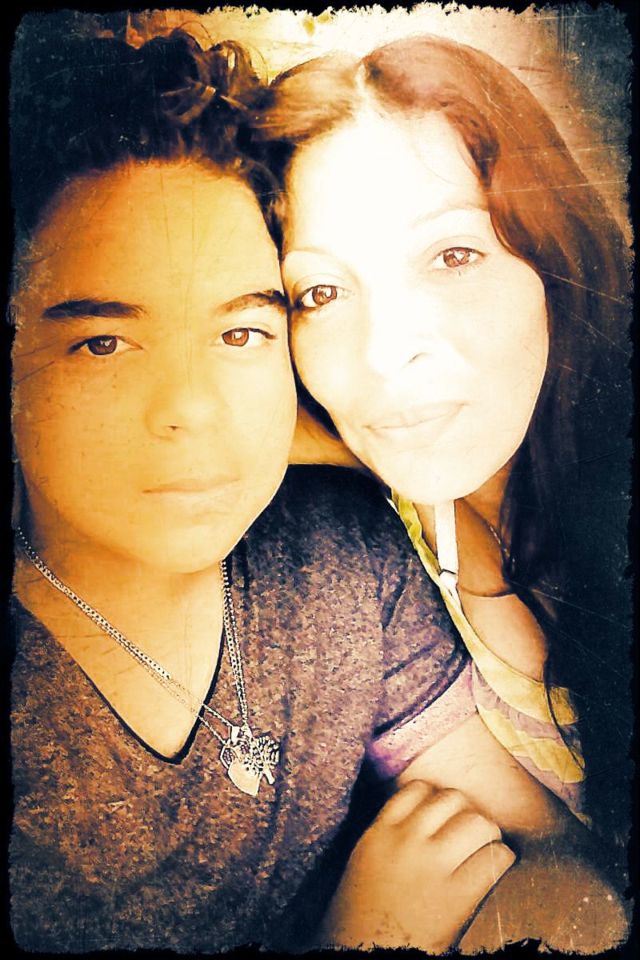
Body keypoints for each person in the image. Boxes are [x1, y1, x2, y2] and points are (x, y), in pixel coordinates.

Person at [9, 18, 626, 954]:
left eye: (241, 333)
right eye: (105, 344)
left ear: (554, 252)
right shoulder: (368, 488)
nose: (191, 410)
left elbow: (554, 870)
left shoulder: (348, 562)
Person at [255, 30, 632, 946]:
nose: (386, 354)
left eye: (452, 255)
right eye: (321, 293)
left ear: (554, 257)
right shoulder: (384, 497)